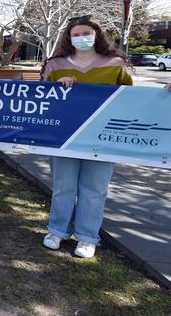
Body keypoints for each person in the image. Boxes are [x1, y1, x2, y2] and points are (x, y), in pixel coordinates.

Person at [41, 16, 133, 259]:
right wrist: (56, 88)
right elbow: (40, 99)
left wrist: (163, 95)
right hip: (64, 137)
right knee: (64, 186)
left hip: (102, 138)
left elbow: (133, 99)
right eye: (76, 34)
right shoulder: (55, 65)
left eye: (87, 33)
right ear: (68, 38)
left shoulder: (116, 64)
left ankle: (86, 237)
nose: (82, 38)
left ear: (97, 34)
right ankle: (57, 230)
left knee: (94, 188)